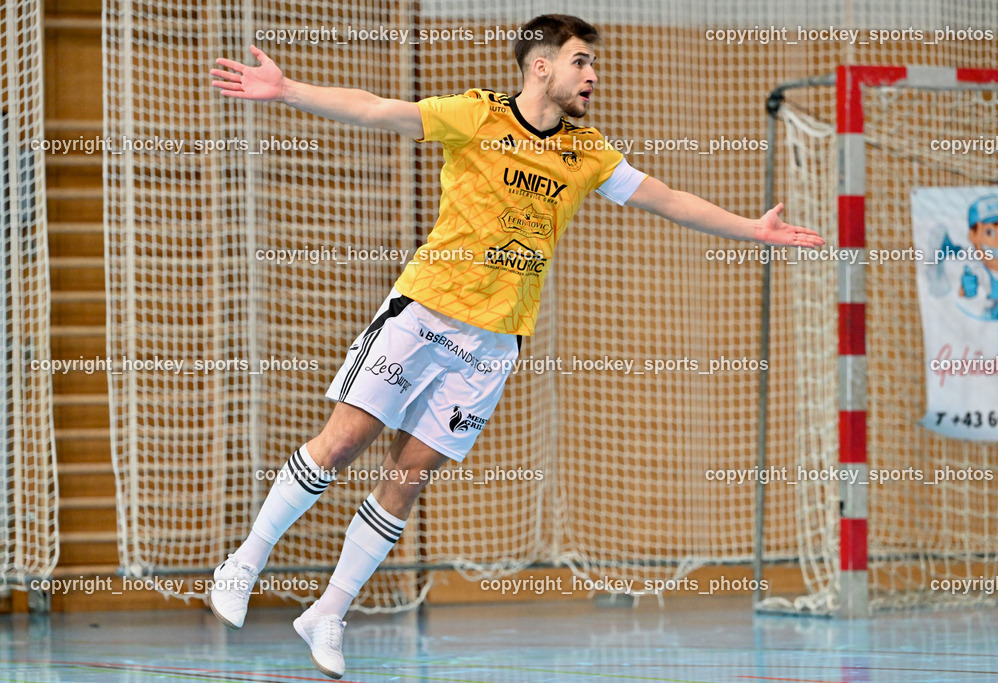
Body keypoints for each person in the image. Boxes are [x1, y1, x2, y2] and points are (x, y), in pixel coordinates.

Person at [208, 13, 824, 679]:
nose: (592, 75)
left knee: (407, 477)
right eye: (581, 61)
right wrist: (288, 88)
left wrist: (750, 229)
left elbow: (665, 197)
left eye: (593, 63)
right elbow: (380, 108)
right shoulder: (476, 116)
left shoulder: (586, 154)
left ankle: (329, 609)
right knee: (341, 443)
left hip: (494, 344)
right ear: (541, 66)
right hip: (423, 313)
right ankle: (245, 560)